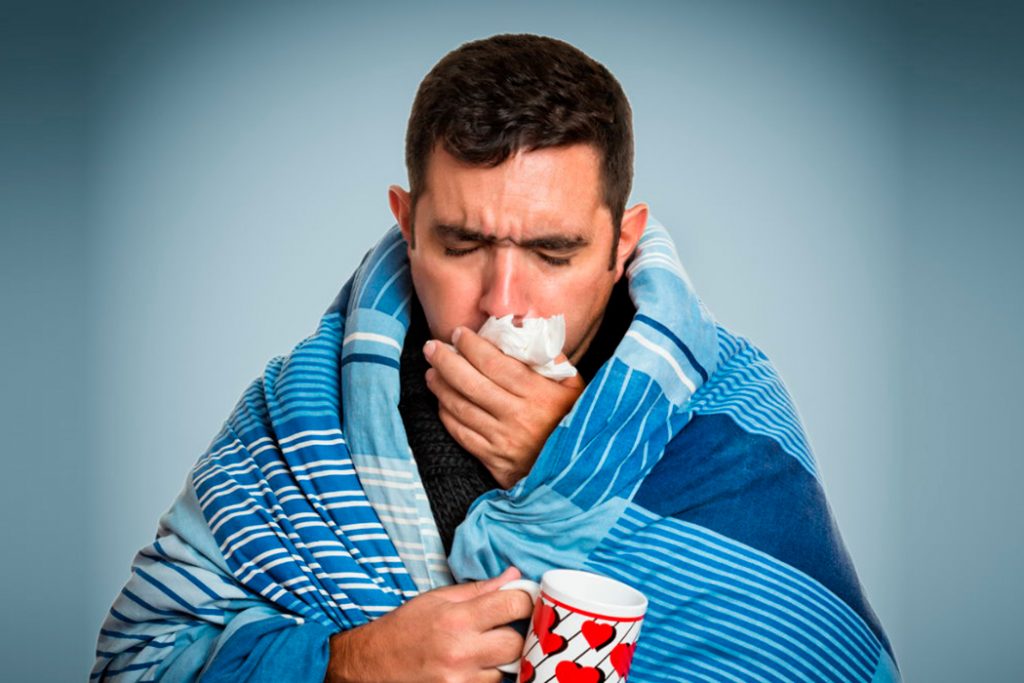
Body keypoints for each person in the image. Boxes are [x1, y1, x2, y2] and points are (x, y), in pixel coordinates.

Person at [93, 34, 900, 682]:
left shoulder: (726, 403)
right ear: (407, 223)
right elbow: (134, 660)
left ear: (622, 242)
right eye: (461, 244)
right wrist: (349, 664)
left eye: (553, 252)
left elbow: (810, 650)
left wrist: (577, 461)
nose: (504, 301)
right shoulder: (297, 414)